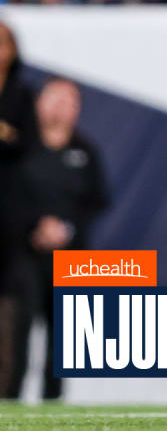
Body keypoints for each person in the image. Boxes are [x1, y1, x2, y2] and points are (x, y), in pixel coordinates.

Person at [7, 78, 108, 400]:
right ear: (39, 102)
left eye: (69, 101)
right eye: (55, 98)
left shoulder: (86, 151)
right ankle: (9, 405)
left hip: (71, 260)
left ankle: (54, 407)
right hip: (22, 255)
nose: (61, 107)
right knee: (14, 339)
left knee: (63, 343)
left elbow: (97, 200)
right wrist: (34, 226)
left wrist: (66, 228)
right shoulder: (19, 149)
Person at [0, 21, 36, 396]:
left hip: (9, 213)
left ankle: (9, 390)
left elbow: (23, 146)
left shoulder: (22, 95)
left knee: (12, 302)